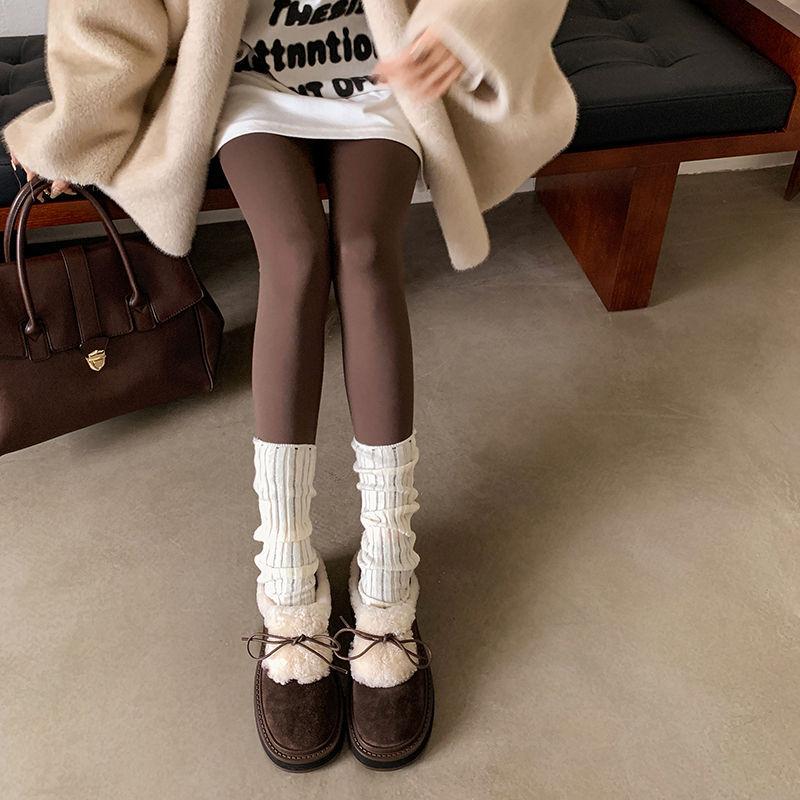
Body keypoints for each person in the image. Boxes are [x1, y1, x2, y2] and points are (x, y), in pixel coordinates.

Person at [4, 0, 577, 773]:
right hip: (249, 79)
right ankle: (287, 581)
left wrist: (463, 24)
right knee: (296, 253)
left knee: (366, 251)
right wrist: (79, 122)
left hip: (380, 70)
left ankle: (389, 574)